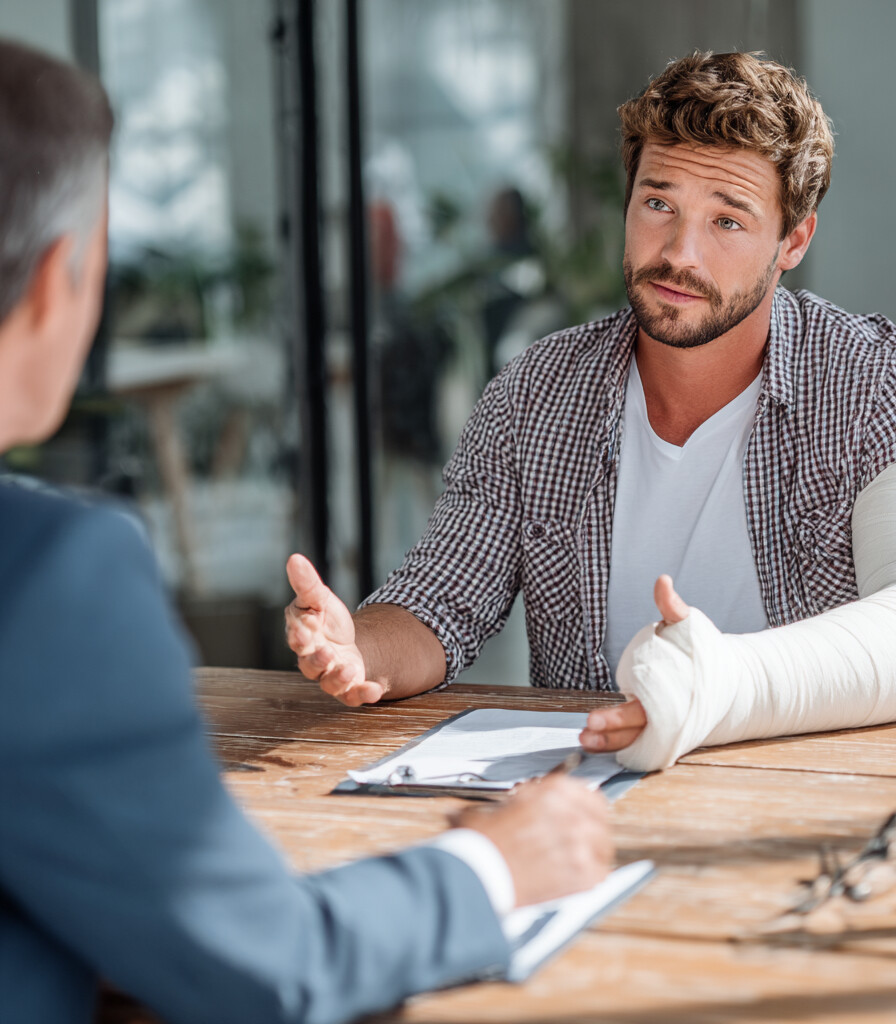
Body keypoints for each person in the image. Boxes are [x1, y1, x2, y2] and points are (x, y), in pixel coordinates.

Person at [0, 39, 612, 1024]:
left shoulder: (856, 378)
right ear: (55, 281)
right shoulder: (47, 578)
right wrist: (492, 864)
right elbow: (270, 966)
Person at [285, 51, 896, 770]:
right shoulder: (538, 392)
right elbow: (442, 602)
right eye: (660, 203)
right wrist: (360, 646)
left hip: (807, 804)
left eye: (728, 221)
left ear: (793, 241)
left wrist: (716, 684)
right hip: (589, 806)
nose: (680, 253)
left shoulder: (876, 382)